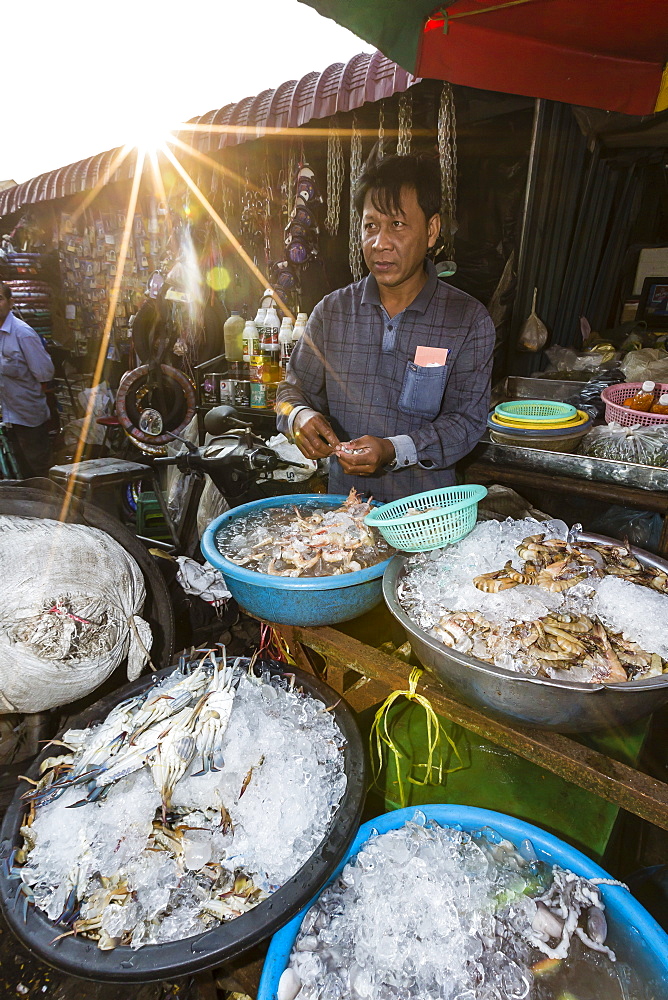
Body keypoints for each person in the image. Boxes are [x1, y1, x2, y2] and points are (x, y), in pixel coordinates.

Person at [276, 153, 495, 502]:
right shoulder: (331, 312)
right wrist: (298, 417)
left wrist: (393, 449)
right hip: (347, 518)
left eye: (397, 224)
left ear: (431, 231)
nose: (380, 243)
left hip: (426, 516)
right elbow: (289, 394)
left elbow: (467, 424)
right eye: (370, 226)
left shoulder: (467, 320)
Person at [0, 282, 55, 478]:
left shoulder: (22, 333)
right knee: (18, 472)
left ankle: (51, 506)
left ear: (10, 302)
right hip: (7, 417)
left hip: (27, 416)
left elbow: (44, 373)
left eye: (0, 299)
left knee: (38, 470)